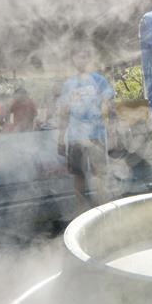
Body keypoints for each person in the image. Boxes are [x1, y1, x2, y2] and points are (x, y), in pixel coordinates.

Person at [57, 50, 115, 210]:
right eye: (76, 57)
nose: (80, 60)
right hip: (76, 137)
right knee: (78, 174)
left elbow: (107, 107)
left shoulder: (99, 80)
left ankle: (102, 209)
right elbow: (64, 112)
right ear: (73, 60)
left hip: (96, 135)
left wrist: (111, 131)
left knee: (100, 173)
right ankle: (80, 210)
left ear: (88, 59)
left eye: (83, 56)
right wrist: (61, 138)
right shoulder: (69, 84)